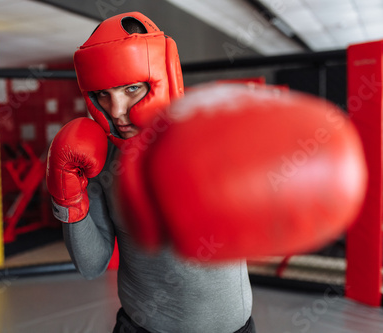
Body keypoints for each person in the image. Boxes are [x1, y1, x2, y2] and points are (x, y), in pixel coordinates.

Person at [46, 12, 255, 333]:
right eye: (104, 94)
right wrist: (66, 197)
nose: (116, 112)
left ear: (164, 78)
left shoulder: (213, 138)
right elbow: (91, 266)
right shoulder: (101, 160)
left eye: (130, 89)